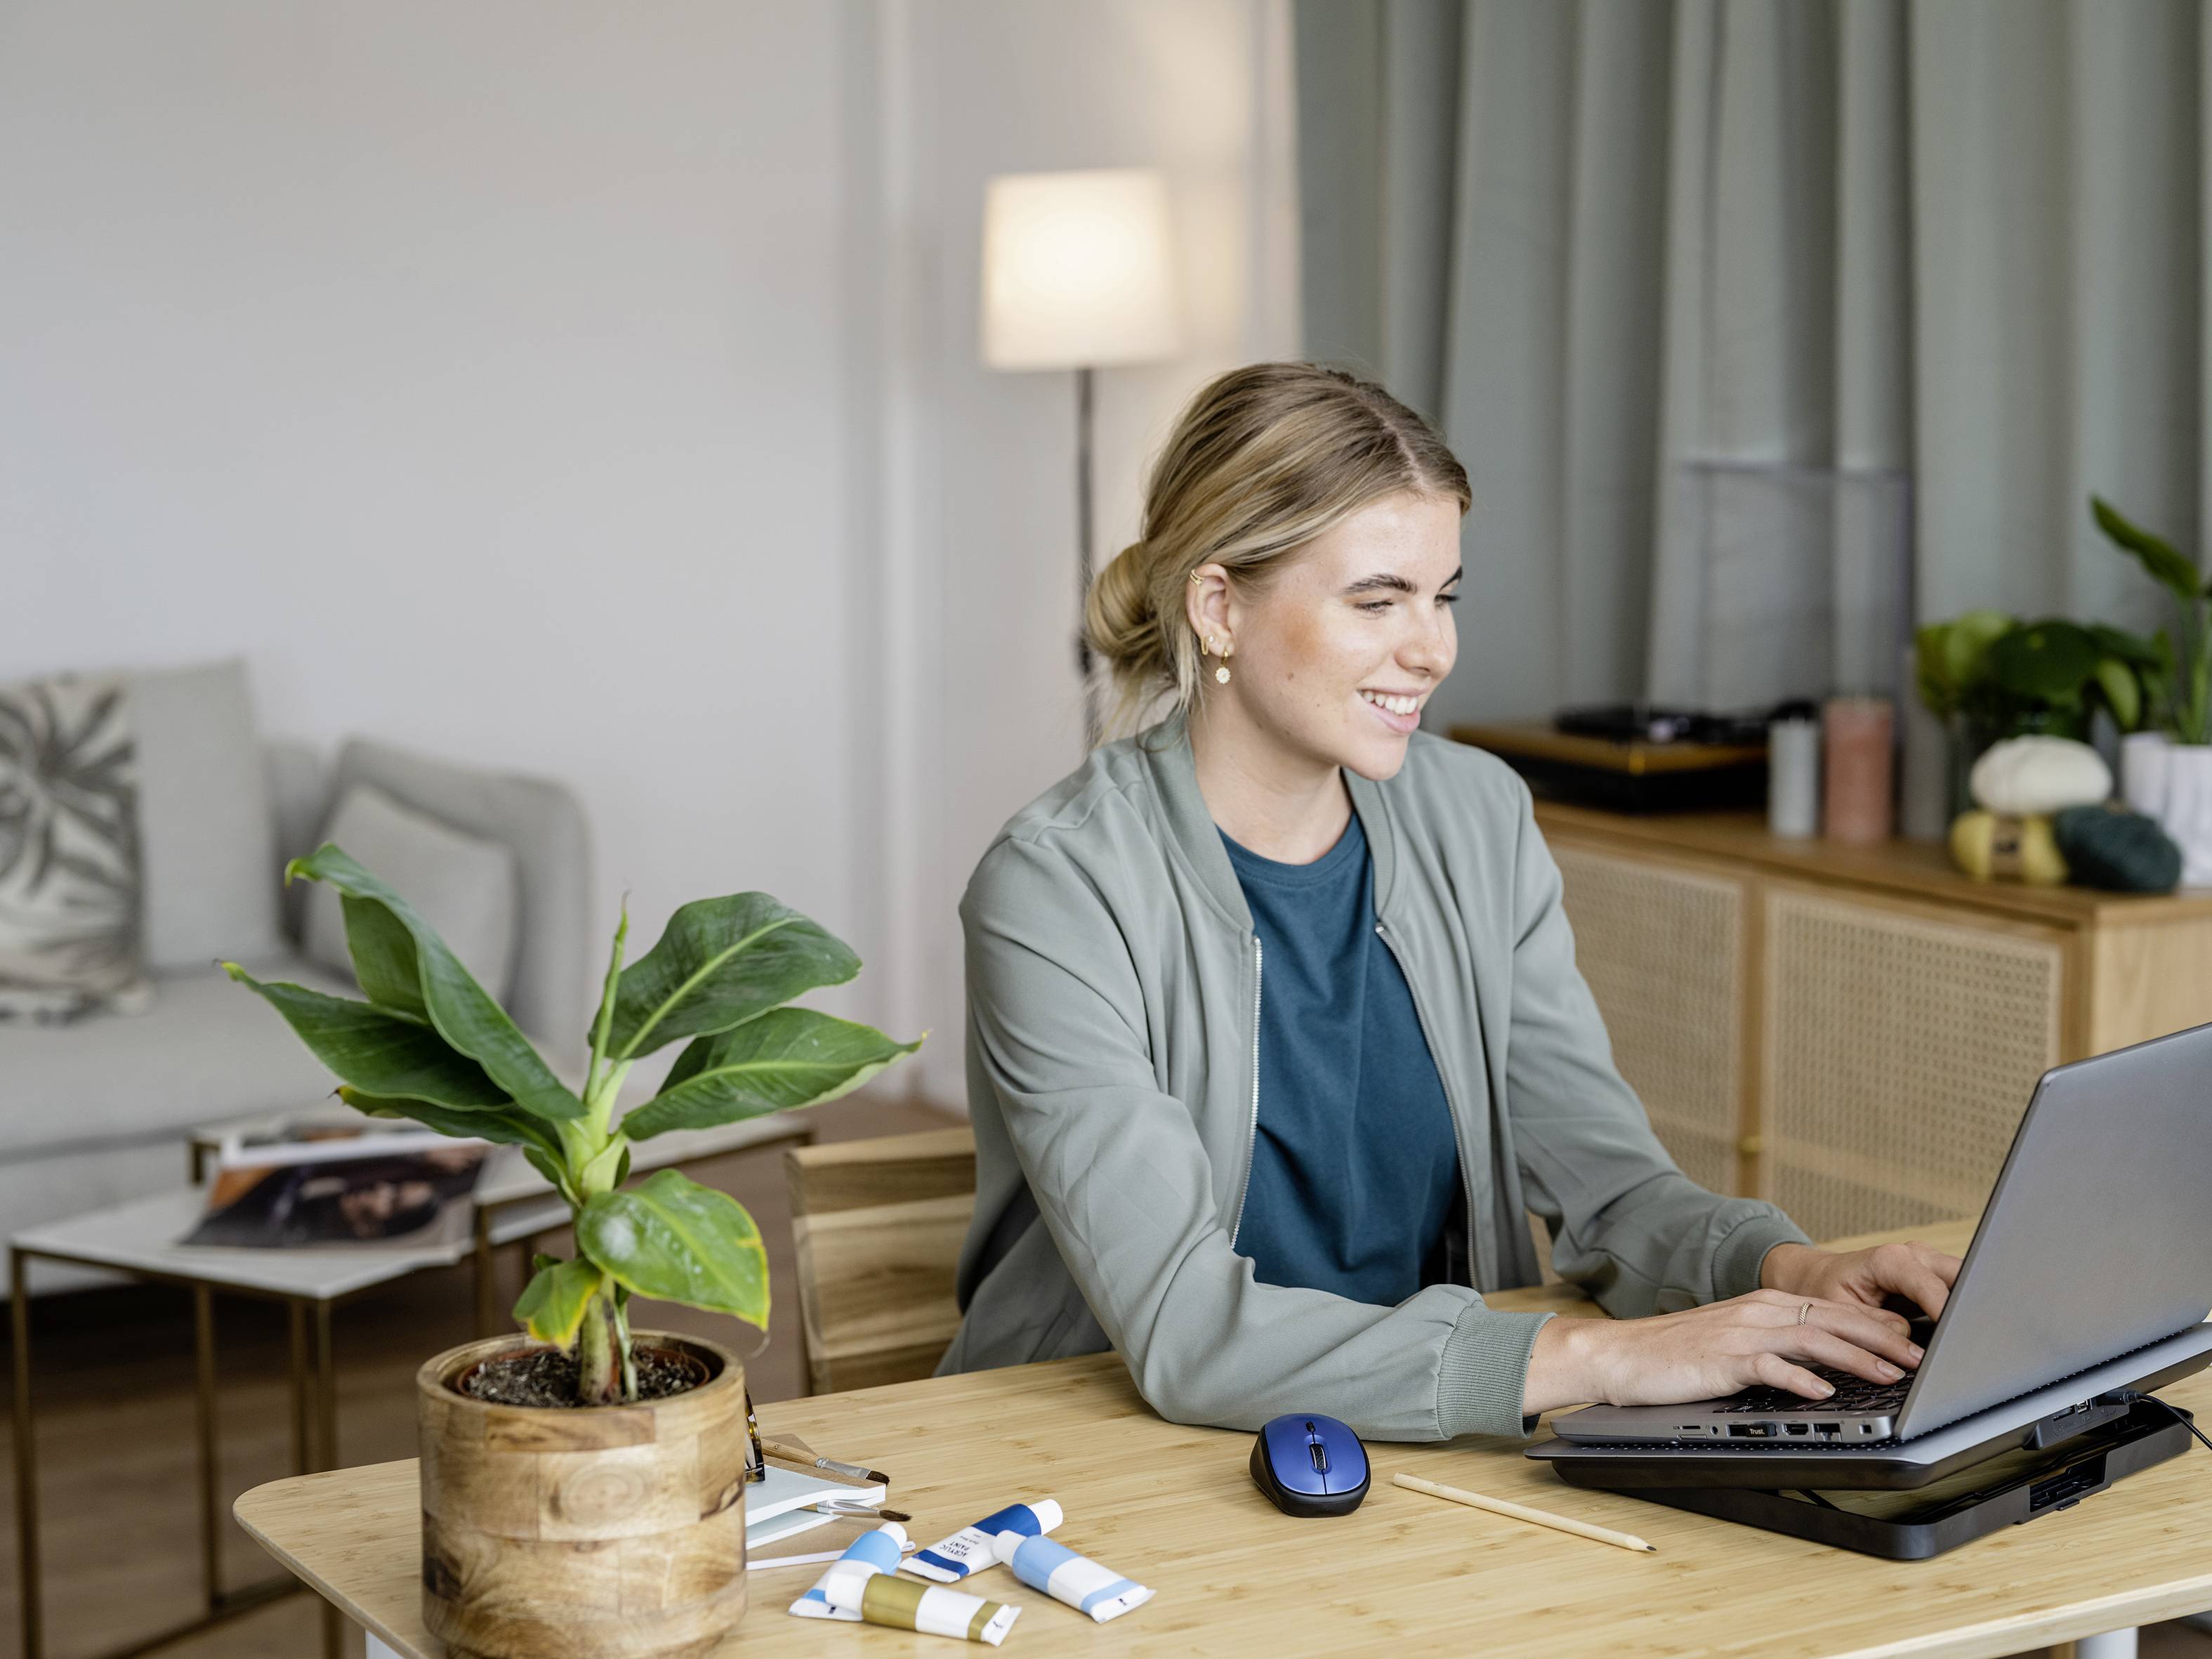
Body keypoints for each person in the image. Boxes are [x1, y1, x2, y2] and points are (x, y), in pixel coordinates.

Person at [937, 362, 1958, 1440]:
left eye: (1442, 595)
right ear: (1217, 605)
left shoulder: (1477, 817)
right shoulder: (1056, 887)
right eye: (1377, 600)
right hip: (1102, 1455)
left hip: (1430, 1436)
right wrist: (1603, 1357)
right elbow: (1189, 1331)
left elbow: (1610, 1188)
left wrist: (1792, 1269)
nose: (1432, 649)